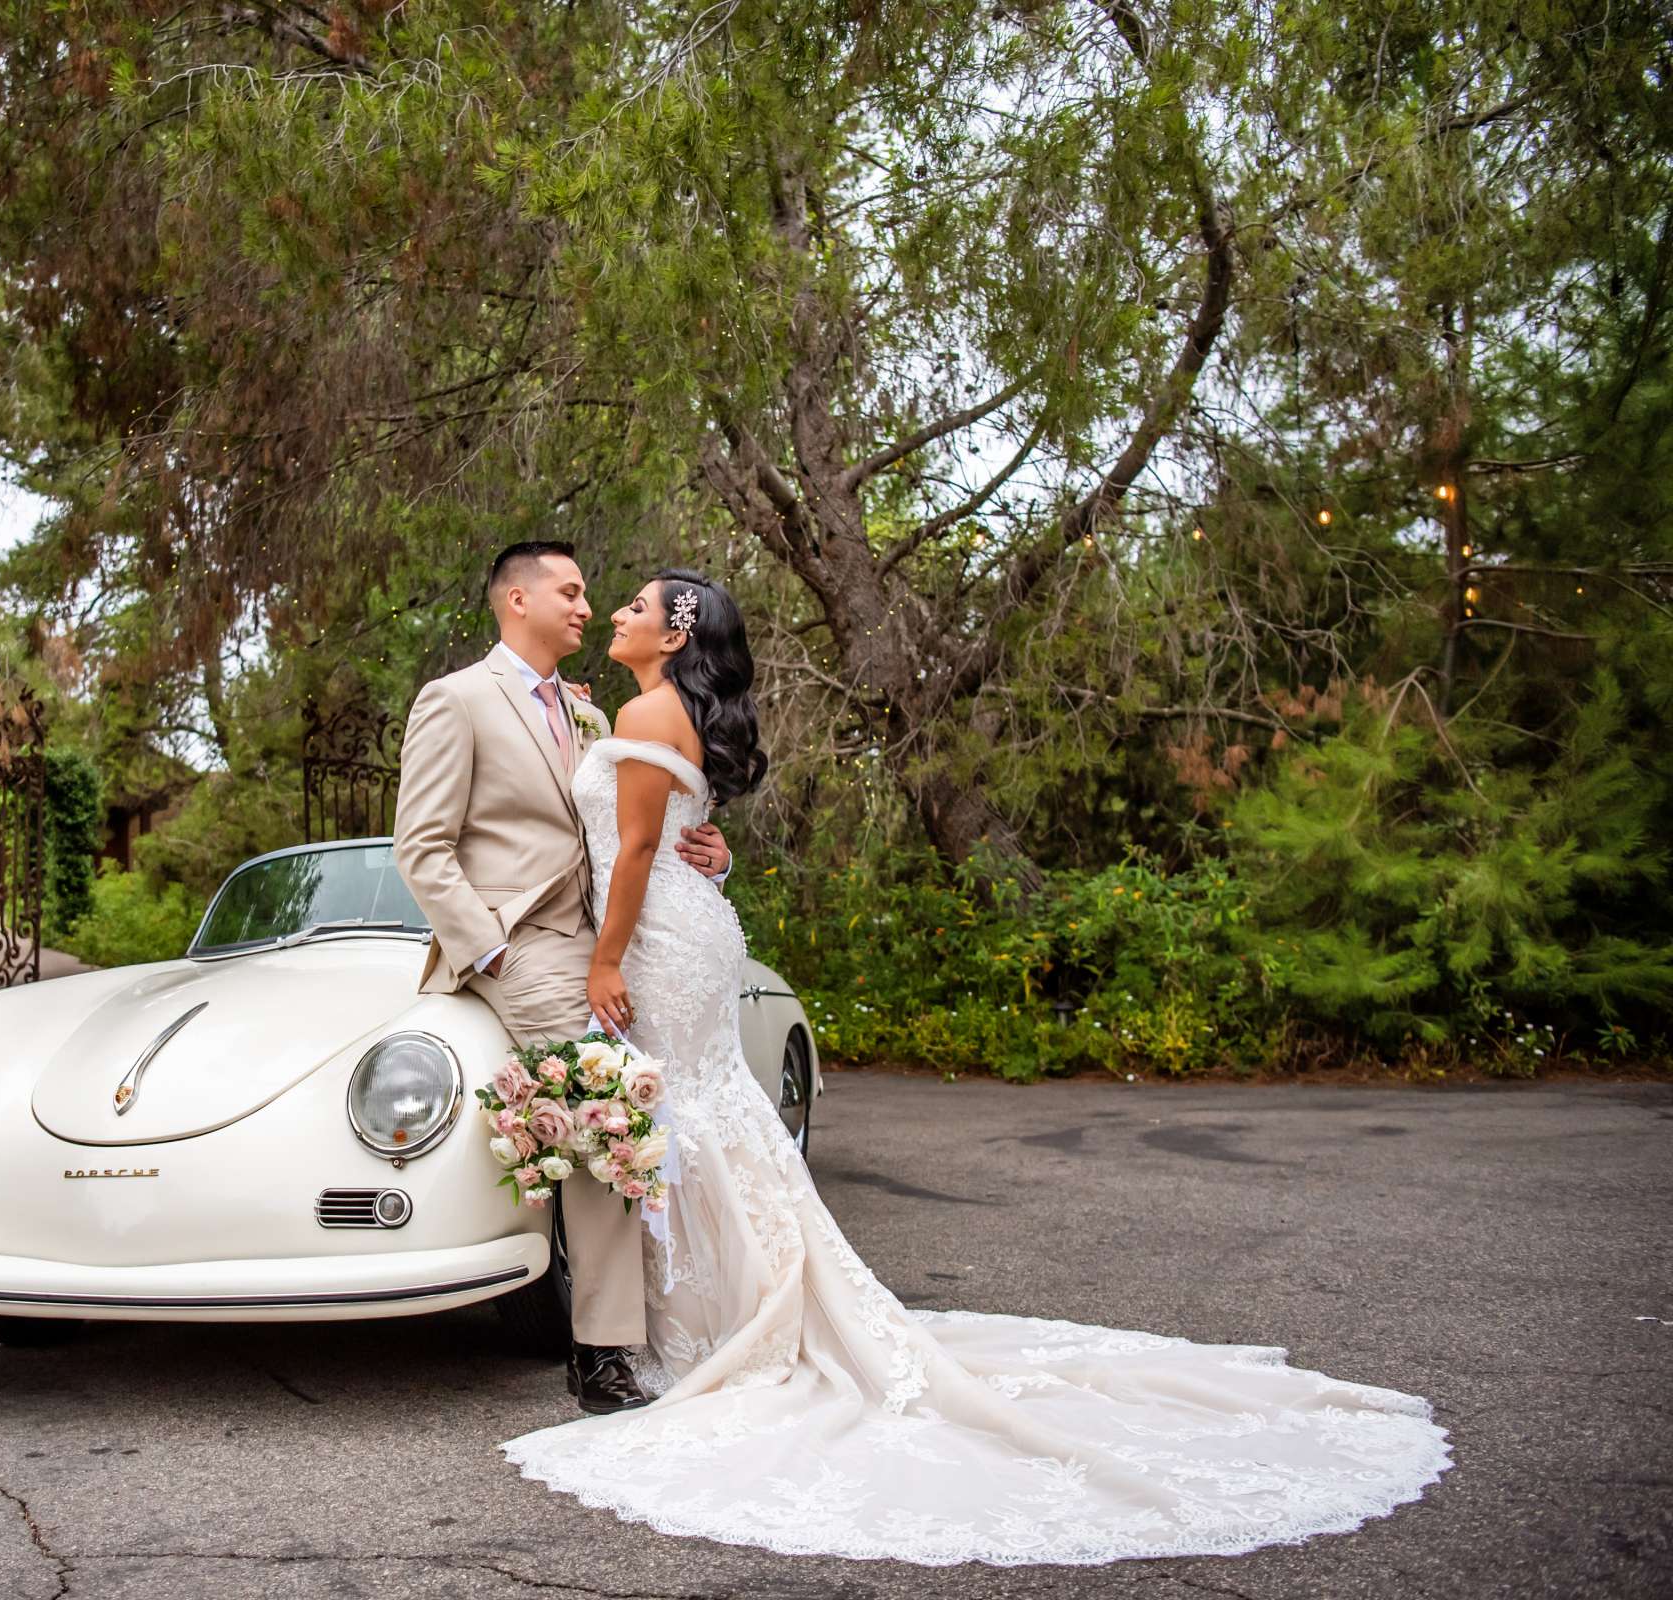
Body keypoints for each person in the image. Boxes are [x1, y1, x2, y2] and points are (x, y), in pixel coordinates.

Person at [495, 567, 1455, 1565]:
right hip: (687, 932)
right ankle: (742, 1306)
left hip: (653, 938)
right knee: (706, 1113)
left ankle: (718, 1322)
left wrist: (605, 958)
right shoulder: (659, 708)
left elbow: (643, 844)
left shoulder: (649, 708)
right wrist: (711, 867)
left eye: (639, 606)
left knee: (693, 1116)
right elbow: (670, 833)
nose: (617, 613)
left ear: (678, 634)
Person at [393, 541, 733, 1416]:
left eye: (592, 596)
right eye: (571, 592)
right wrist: (492, 952)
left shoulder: (586, 714)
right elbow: (422, 850)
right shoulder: (456, 700)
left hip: (606, 942)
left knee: (654, 1106)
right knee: (601, 1102)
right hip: (526, 947)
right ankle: (603, 1353)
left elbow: (631, 835)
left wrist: (709, 855)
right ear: (517, 598)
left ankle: (673, 1312)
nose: (588, 607)